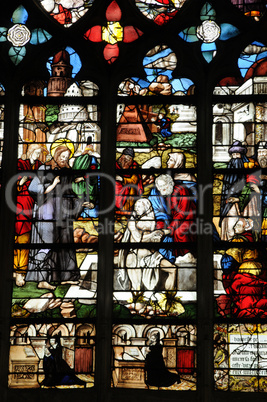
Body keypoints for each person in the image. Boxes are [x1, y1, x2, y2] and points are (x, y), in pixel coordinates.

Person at [25, 139, 82, 290]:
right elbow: (33, 188)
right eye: (62, 157)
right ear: (56, 156)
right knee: (47, 244)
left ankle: (66, 277)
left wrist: (80, 203)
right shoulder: (45, 168)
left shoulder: (67, 173)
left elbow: (69, 192)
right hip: (47, 212)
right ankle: (42, 278)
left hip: (63, 213)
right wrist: (52, 185)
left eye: (67, 157)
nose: (64, 160)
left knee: (65, 244)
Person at [117, 198, 176, 291]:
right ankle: (138, 301)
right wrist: (134, 229)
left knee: (173, 269)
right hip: (135, 257)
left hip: (152, 257)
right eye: (135, 206)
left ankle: (169, 299)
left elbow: (150, 237)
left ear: (146, 207)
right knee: (136, 287)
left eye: (139, 206)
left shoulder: (148, 220)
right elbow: (138, 239)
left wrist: (160, 233)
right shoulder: (137, 222)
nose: (136, 208)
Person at [219, 217, 267, 318]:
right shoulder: (255, 239)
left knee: (245, 300)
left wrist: (226, 269)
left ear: (246, 228)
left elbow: (228, 261)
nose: (235, 227)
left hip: (245, 273)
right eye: (236, 224)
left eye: (239, 225)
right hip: (259, 271)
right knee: (255, 297)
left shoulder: (239, 239)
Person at [14, 144, 44, 287]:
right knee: (15, 239)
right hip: (16, 206)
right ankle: (14, 270)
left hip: (31, 207)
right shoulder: (20, 164)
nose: (37, 156)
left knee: (24, 241)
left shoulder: (39, 166)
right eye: (36, 153)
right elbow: (12, 183)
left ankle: (21, 272)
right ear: (30, 152)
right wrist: (21, 182)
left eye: (39, 153)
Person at [219, 141, 260, 241]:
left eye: (237, 154)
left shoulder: (247, 169)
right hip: (229, 203)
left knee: (237, 224)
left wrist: (238, 199)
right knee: (228, 223)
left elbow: (251, 188)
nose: (235, 157)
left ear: (241, 155)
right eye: (233, 155)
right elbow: (226, 187)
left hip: (243, 204)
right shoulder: (230, 169)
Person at [72, 139, 100, 218]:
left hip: (89, 197)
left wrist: (83, 178)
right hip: (82, 196)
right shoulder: (88, 159)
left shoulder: (91, 160)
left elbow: (93, 176)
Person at [115, 147, 143, 214]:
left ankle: (127, 210)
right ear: (121, 157)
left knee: (132, 187)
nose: (126, 162)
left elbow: (134, 180)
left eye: (128, 160)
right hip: (116, 186)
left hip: (128, 189)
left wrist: (122, 179)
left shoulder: (134, 166)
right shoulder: (115, 165)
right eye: (125, 159)